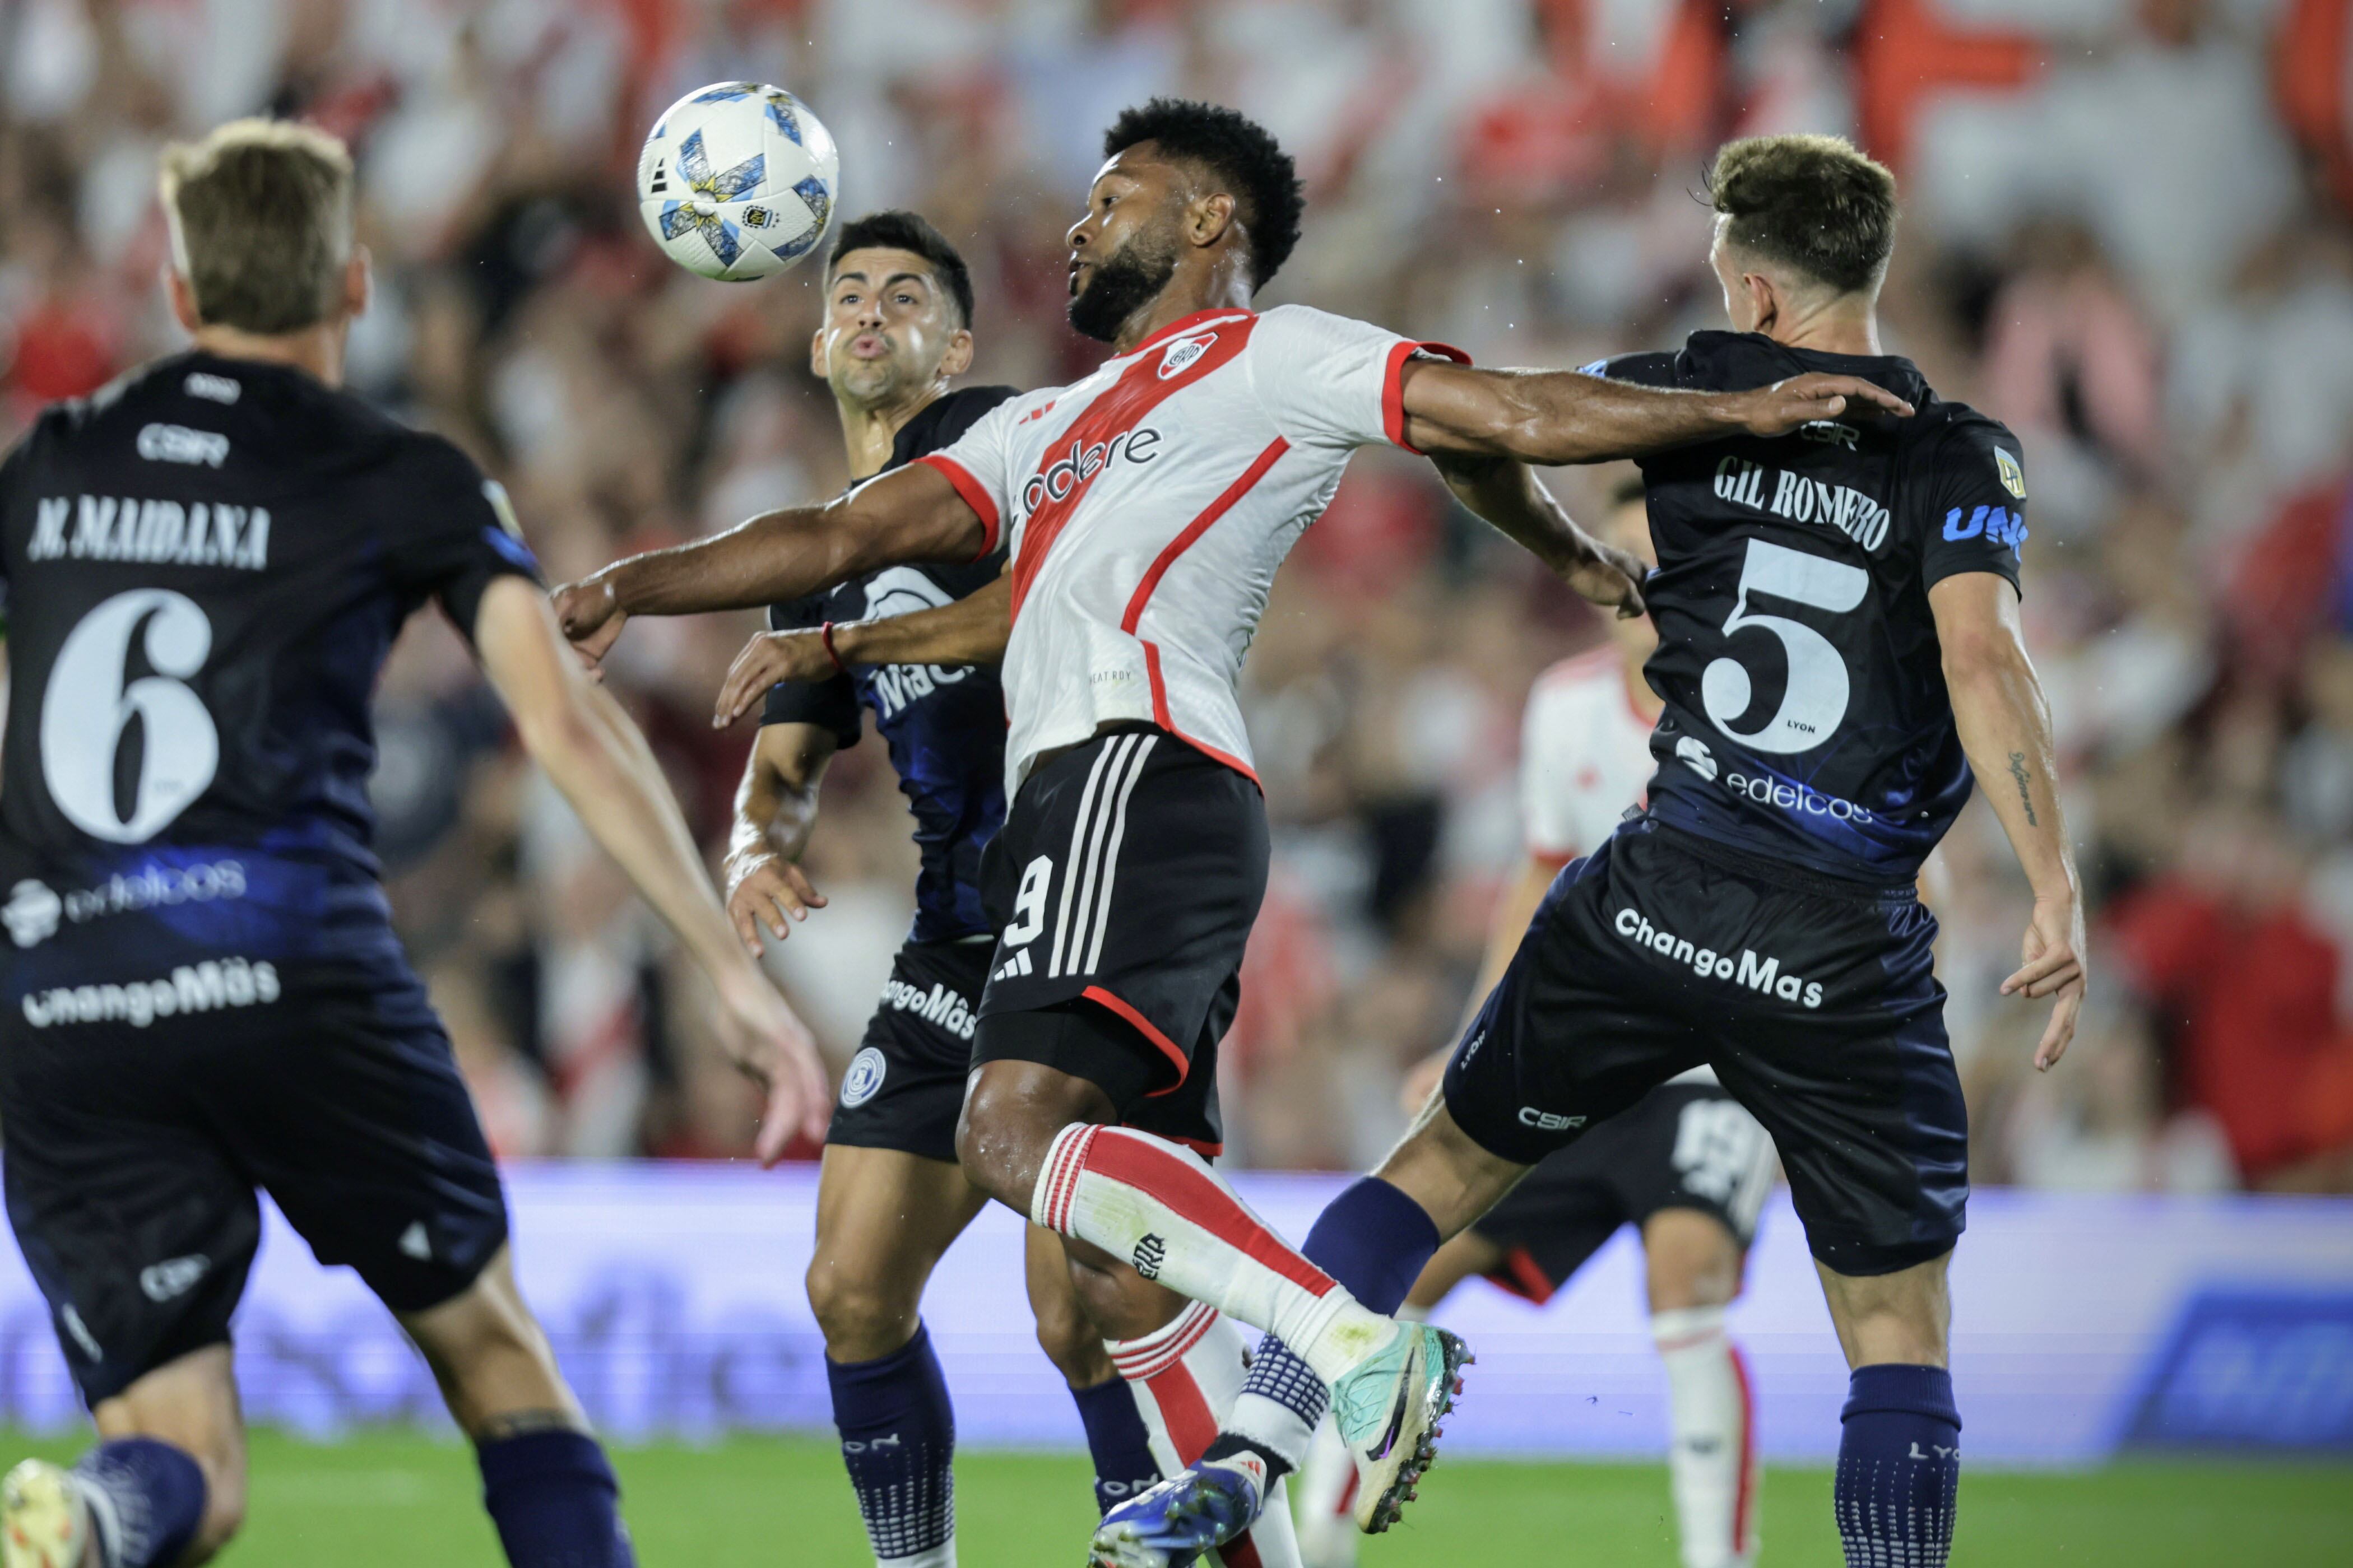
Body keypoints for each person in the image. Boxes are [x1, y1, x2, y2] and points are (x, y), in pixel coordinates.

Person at [553, 98, 1908, 1565]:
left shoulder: (1280, 352)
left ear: (1212, 220)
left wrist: (1724, 414)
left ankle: (1351, 1345)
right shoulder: (1044, 428)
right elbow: (835, 543)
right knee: (1104, 1271)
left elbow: (1501, 415)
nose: (1080, 223)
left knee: (1004, 1131)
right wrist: (636, 582)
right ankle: (1248, 1506)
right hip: (1115, 801)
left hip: (1140, 772)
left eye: (1114, 190)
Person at [1140, 133, 2082, 1568]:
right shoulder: (1960, 450)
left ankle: (1244, 1454)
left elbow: (1473, 428)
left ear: (1755, 294)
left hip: (1658, 891)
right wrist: (2053, 883)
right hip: (1838, 943)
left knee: (1432, 1174)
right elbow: (1983, 656)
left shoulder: (1676, 397)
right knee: (1895, 1327)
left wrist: (1569, 548)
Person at [0, 120, 829, 1568]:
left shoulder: (49, 463)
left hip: (69, 997)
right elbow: (566, 729)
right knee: (500, 1366)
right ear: (357, 283)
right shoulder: (398, 471)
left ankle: (84, 1515)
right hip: (294, 974)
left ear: (184, 293)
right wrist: (729, 971)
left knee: (185, 1468)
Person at [719, 207, 1298, 1568]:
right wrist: (756, 844)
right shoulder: (827, 550)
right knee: (851, 1287)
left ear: (961, 344)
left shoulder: (1006, 459)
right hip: (950, 938)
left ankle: (1190, 1496)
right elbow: (783, 765)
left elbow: (1051, 599)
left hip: (1092, 901)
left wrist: (853, 624)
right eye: (848, 295)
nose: (870, 312)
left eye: (905, 294)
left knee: (1080, 1305)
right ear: (815, 348)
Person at [1287, 478, 1776, 1568]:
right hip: (1583, 1054)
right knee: (1417, 1258)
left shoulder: (1769, 716)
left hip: (1716, 1066)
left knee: (1685, 1271)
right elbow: (1538, 889)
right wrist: (1467, 1045)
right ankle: (1318, 1537)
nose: (1649, 596)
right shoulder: (1565, 709)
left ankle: (1717, 1558)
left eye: (1674, 574)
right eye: (1631, 574)